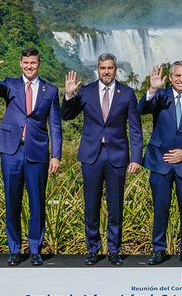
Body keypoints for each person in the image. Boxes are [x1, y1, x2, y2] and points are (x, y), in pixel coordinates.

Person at [61, 53, 142, 266]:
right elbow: (67, 115)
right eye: (103, 68)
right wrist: (69, 95)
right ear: (97, 69)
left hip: (117, 155)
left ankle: (114, 250)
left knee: (115, 205)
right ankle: (93, 249)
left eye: (110, 68)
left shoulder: (127, 94)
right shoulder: (85, 92)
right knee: (91, 205)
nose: (106, 71)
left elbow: (135, 129)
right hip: (91, 155)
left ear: (115, 69)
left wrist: (136, 158)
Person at [0, 46, 62, 266]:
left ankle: (35, 249)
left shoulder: (50, 90)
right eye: (26, 63)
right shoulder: (10, 84)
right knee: (12, 201)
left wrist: (56, 155)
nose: (29, 67)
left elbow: (55, 125)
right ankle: (15, 249)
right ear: (20, 63)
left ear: (39, 64)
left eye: (33, 63)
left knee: (37, 201)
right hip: (11, 150)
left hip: (37, 152)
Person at [138, 62, 182, 266]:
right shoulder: (160, 95)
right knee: (160, 208)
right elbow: (141, 108)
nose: (181, 79)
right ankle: (158, 250)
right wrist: (152, 88)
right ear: (170, 77)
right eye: (177, 76)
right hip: (160, 162)